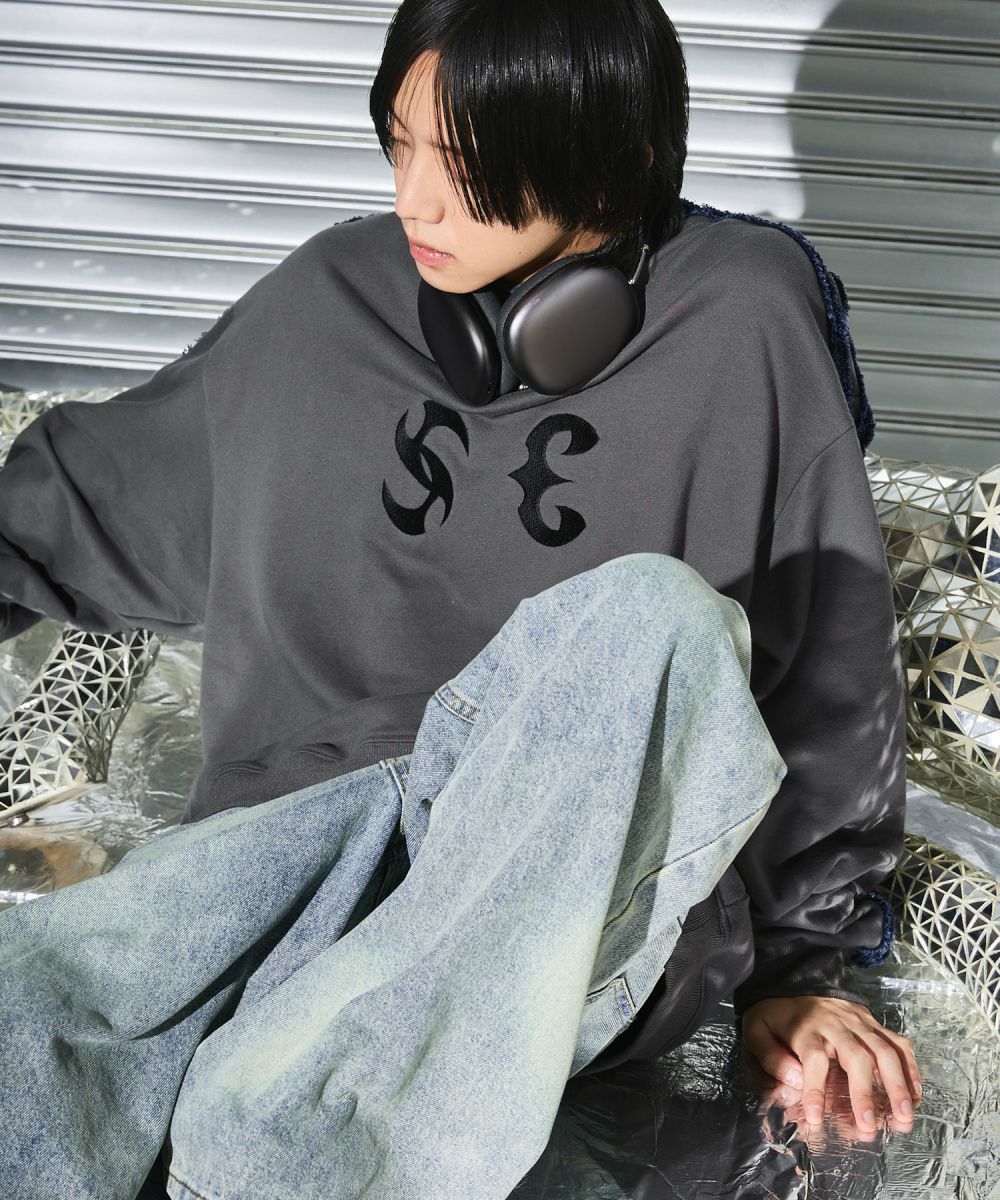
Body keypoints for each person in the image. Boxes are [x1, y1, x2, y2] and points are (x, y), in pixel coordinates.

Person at [0, 0, 921, 1193]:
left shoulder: (743, 320)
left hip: (544, 907)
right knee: (28, 1013)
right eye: (399, 145)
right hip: (272, 876)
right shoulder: (326, 300)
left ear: (616, 159)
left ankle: (283, 1144)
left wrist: (804, 971)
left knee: (653, 621)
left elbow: (832, 675)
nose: (415, 203)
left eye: (469, 168)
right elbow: (65, 509)